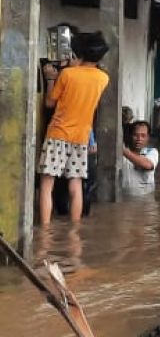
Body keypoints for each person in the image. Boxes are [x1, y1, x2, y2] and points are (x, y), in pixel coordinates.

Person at [37, 32, 109, 225]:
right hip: (81, 137)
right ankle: (75, 231)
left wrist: (51, 78)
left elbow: (50, 103)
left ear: (79, 53)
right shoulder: (103, 78)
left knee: (46, 185)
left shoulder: (67, 74)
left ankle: (45, 231)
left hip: (58, 134)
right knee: (76, 185)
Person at [120, 121, 158, 196]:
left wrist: (123, 150)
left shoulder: (152, 152)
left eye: (143, 136)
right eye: (135, 135)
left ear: (148, 138)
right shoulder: (121, 152)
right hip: (124, 200)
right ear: (130, 136)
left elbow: (147, 165)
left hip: (144, 202)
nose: (139, 139)